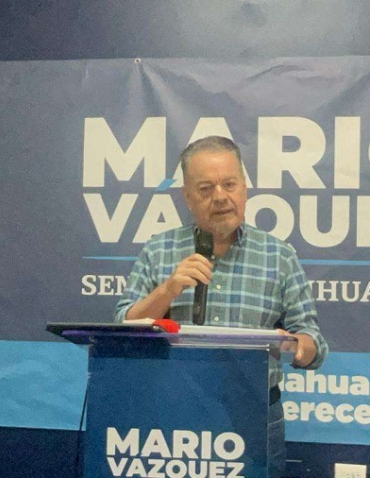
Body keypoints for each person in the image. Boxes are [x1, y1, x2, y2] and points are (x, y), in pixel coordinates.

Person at [114, 135, 328, 477]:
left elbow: (313, 342)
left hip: (254, 413)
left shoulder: (279, 256)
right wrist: (168, 290)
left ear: (245, 188)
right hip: (173, 413)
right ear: (187, 196)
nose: (220, 197)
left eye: (230, 184)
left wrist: (294, 345)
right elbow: (122, 327)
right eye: (205, 188)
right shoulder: (159, 250)